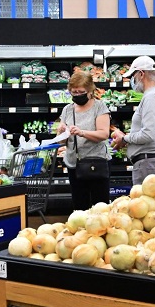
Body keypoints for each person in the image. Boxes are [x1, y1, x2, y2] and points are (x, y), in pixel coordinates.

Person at [110, 56, 155, 185]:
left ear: (141, 74)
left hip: (148, 165)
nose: (133, 80)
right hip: (149, 164)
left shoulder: (152, 97)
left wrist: (125, 139)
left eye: (133, 75)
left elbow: (149, 134)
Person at [57, 71, 111, 210]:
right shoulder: (67, 110)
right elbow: (62, 143)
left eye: (80, 92)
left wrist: (82, 132)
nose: (77, 95)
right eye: (73, 92)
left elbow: (104, 133)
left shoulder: (99, 107)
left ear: (89, 90)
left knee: (100, 207)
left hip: (95, 163)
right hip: (74, 165)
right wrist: (61, 132)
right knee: (80, 207)